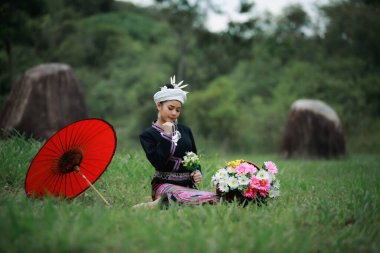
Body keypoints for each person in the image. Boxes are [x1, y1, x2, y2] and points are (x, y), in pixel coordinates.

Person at [136, 76, 219, 208]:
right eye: (170, 108)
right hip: (164, 185)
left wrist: (197, 172)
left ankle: (164, 202)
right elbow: (158, 161)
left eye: (178, 110)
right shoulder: (148, 135)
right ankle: (158, 202)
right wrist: (167, 135)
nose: (174, 113)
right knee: (184, 196)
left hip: (187, 185)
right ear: (159, 105)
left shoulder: (185, 130)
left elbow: (194, 157)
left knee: (216, 198)